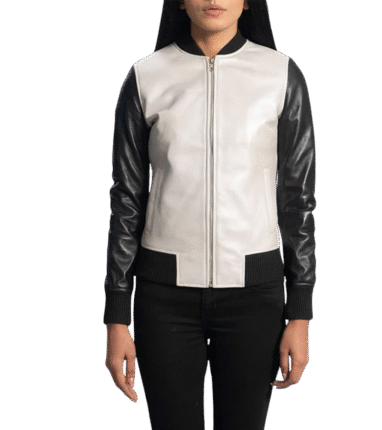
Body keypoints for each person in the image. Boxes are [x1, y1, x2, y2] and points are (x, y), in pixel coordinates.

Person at [103, 1, 317, 429]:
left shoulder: (280, 74)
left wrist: (300, 312)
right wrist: (116, 315)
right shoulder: (146, 76)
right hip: (163, 298)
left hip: (255, 296)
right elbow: (126, 199)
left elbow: (298, 199)